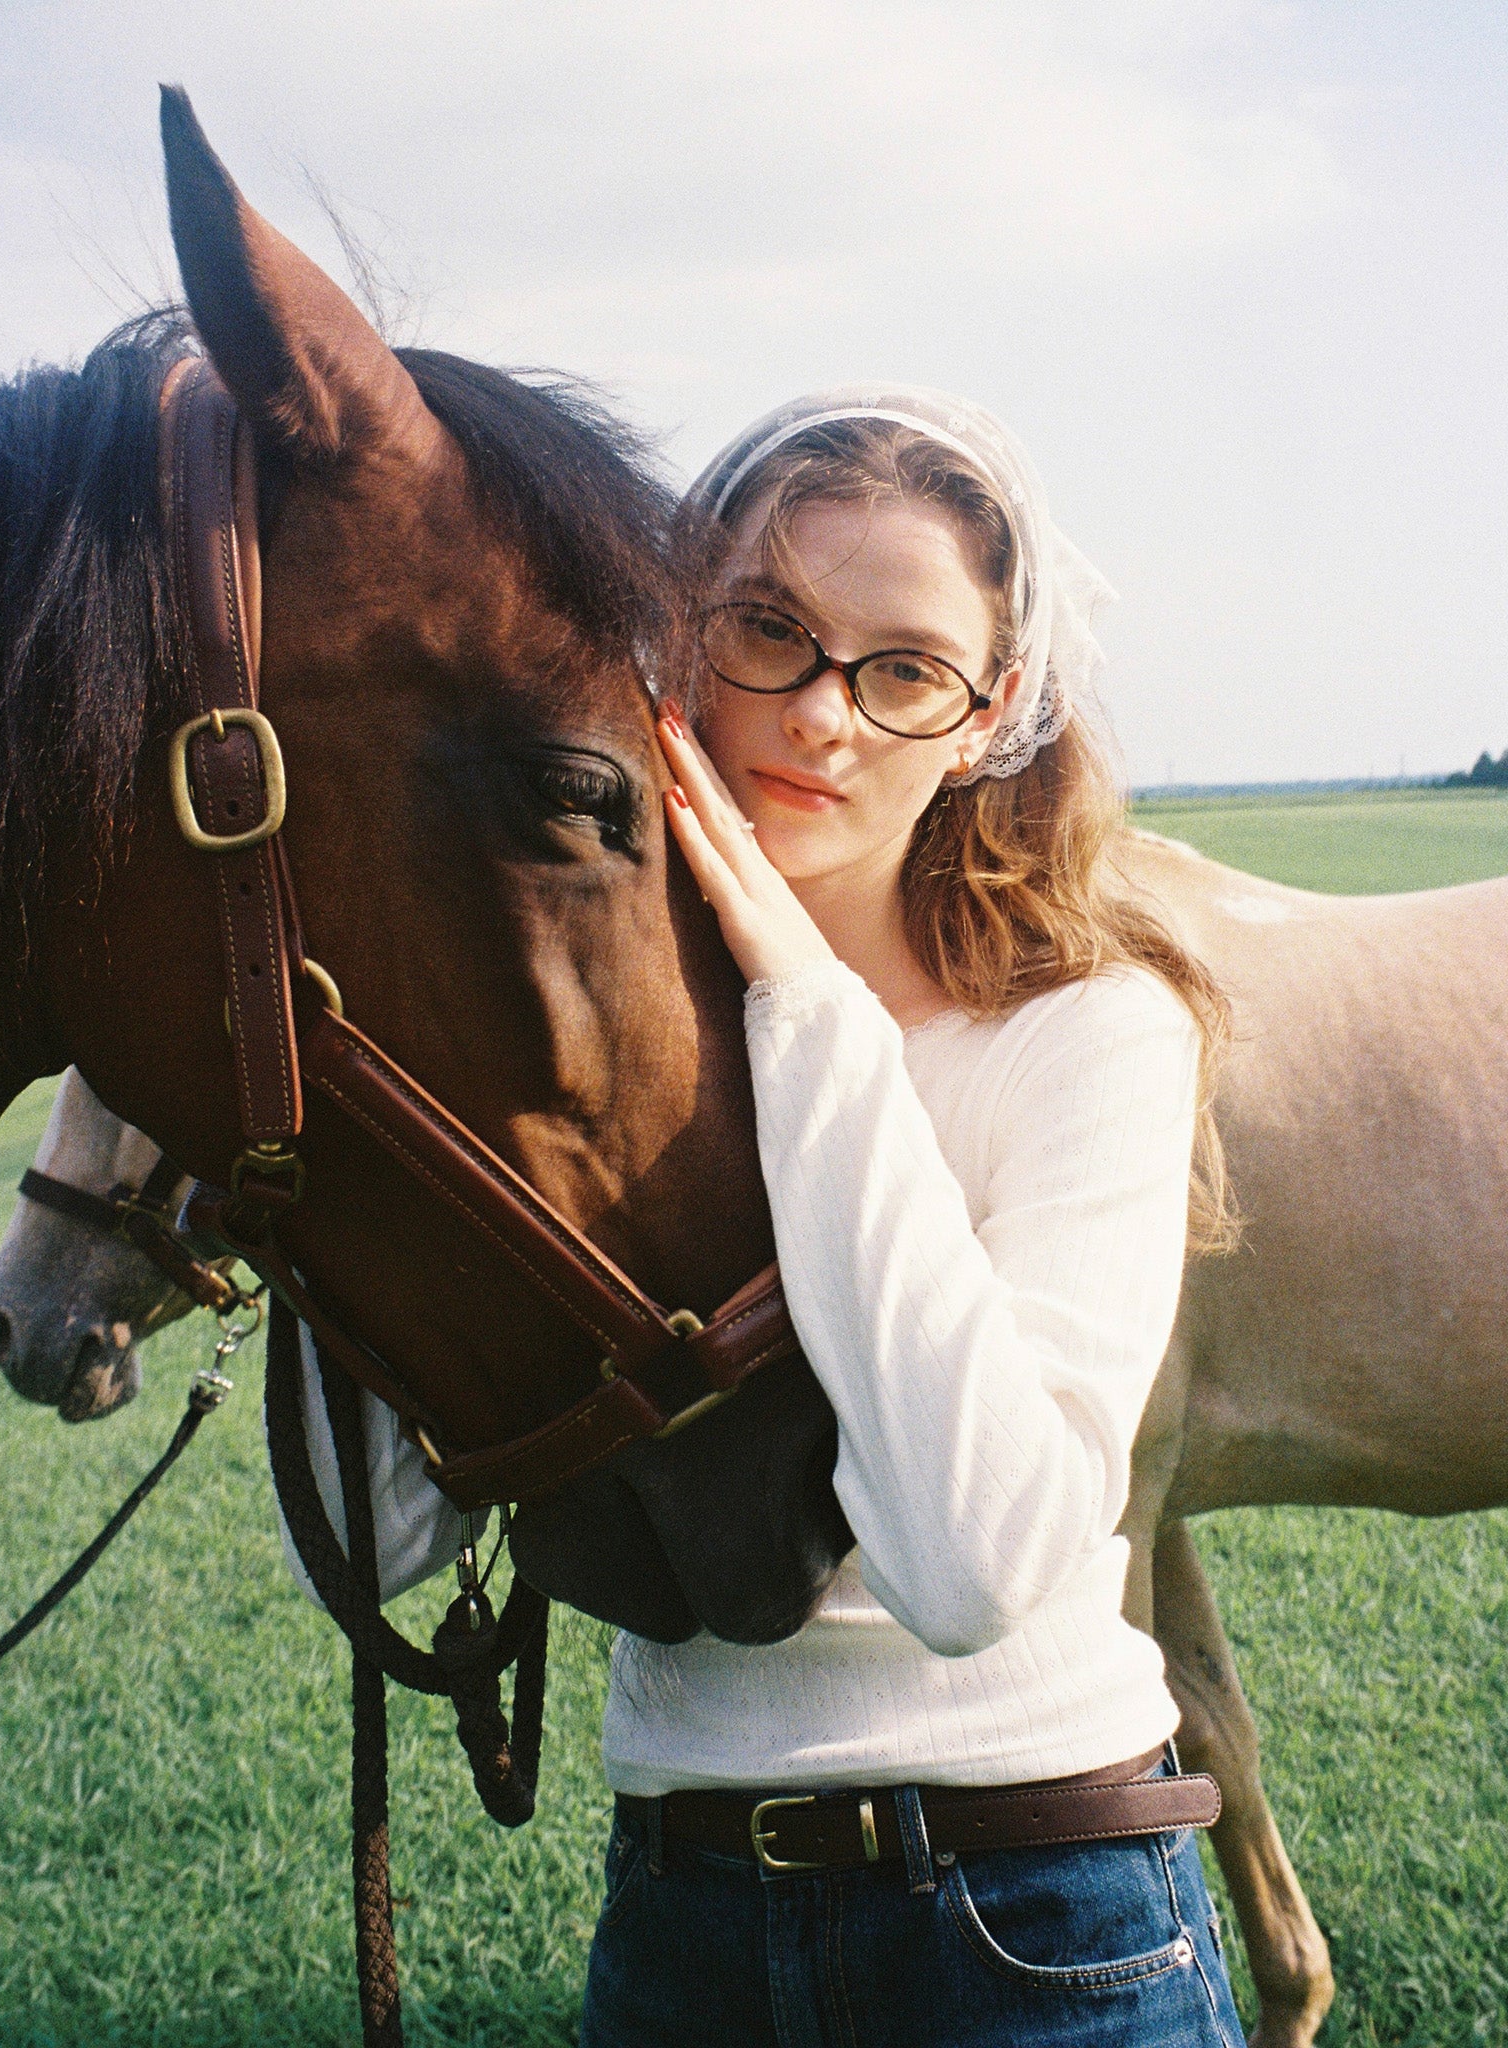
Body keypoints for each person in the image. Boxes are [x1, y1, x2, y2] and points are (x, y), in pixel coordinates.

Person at [579, 387, 1246, 2048]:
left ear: (986, 714)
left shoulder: (1089, 1034)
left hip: (1044, 1916)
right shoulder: (585, 1051)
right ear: (677, 632)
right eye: (768, 630)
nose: (824, 717)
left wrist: (806, 1009)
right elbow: (385, 1539)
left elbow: (970, 1565)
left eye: (905, 671)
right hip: (681, 1922)